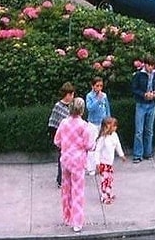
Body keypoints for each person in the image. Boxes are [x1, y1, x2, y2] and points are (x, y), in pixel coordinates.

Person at [54, 96, 95, 233]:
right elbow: (89, 145)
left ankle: (67, 216)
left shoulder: (64, 123)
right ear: (82, 110)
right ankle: (77, 222)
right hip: (78, 162)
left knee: (66, 190)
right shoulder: (84, 126)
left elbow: (57, 141)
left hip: (65, 160)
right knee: (77, 191)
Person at [131, 54, 155, 164]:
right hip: (141, 104)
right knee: (139, 131)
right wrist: (144, 95)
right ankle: (137, 154)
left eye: (153, 66)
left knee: (149, 130)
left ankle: (148, 152)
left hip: (151, 105)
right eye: (149, 66)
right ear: (145, 65)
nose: (151, 68)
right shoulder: (139, 75)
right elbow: (134, 89)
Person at [48, 81, 75, 188]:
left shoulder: (73, 106)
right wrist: (55, 138)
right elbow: (53, 122)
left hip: (72, 138)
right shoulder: (58, 106)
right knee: (62, 159)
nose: (73, 96)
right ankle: (61, 179)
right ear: (67, 94)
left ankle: (70, 178)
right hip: (62, 138)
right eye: (71, 94)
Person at [95, 116, 126, 204]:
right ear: (107, 127)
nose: (115, 127)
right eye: (113, 126)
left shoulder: (114, 135)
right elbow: (97, 151)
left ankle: (109, 193)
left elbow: (117, 145)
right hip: (103, 163)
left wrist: (121, 155)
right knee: (105, 180)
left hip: (109, 163)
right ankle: (104, 196)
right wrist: (97, 163)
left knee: (110, 179)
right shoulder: (102, 139)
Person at [85, 76, 111, 176]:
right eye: (97, 86)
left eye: (101, 86)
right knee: (92, 145)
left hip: (103, 122)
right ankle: (91, 168)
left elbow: (107, 108)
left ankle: (103, 165)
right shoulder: (89, 96)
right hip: (93, 123)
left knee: (104, 145)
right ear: (93, 86)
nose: (99, 88)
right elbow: (90, 108)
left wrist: (109, 120)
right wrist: (98, 100)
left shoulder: (104, 95)